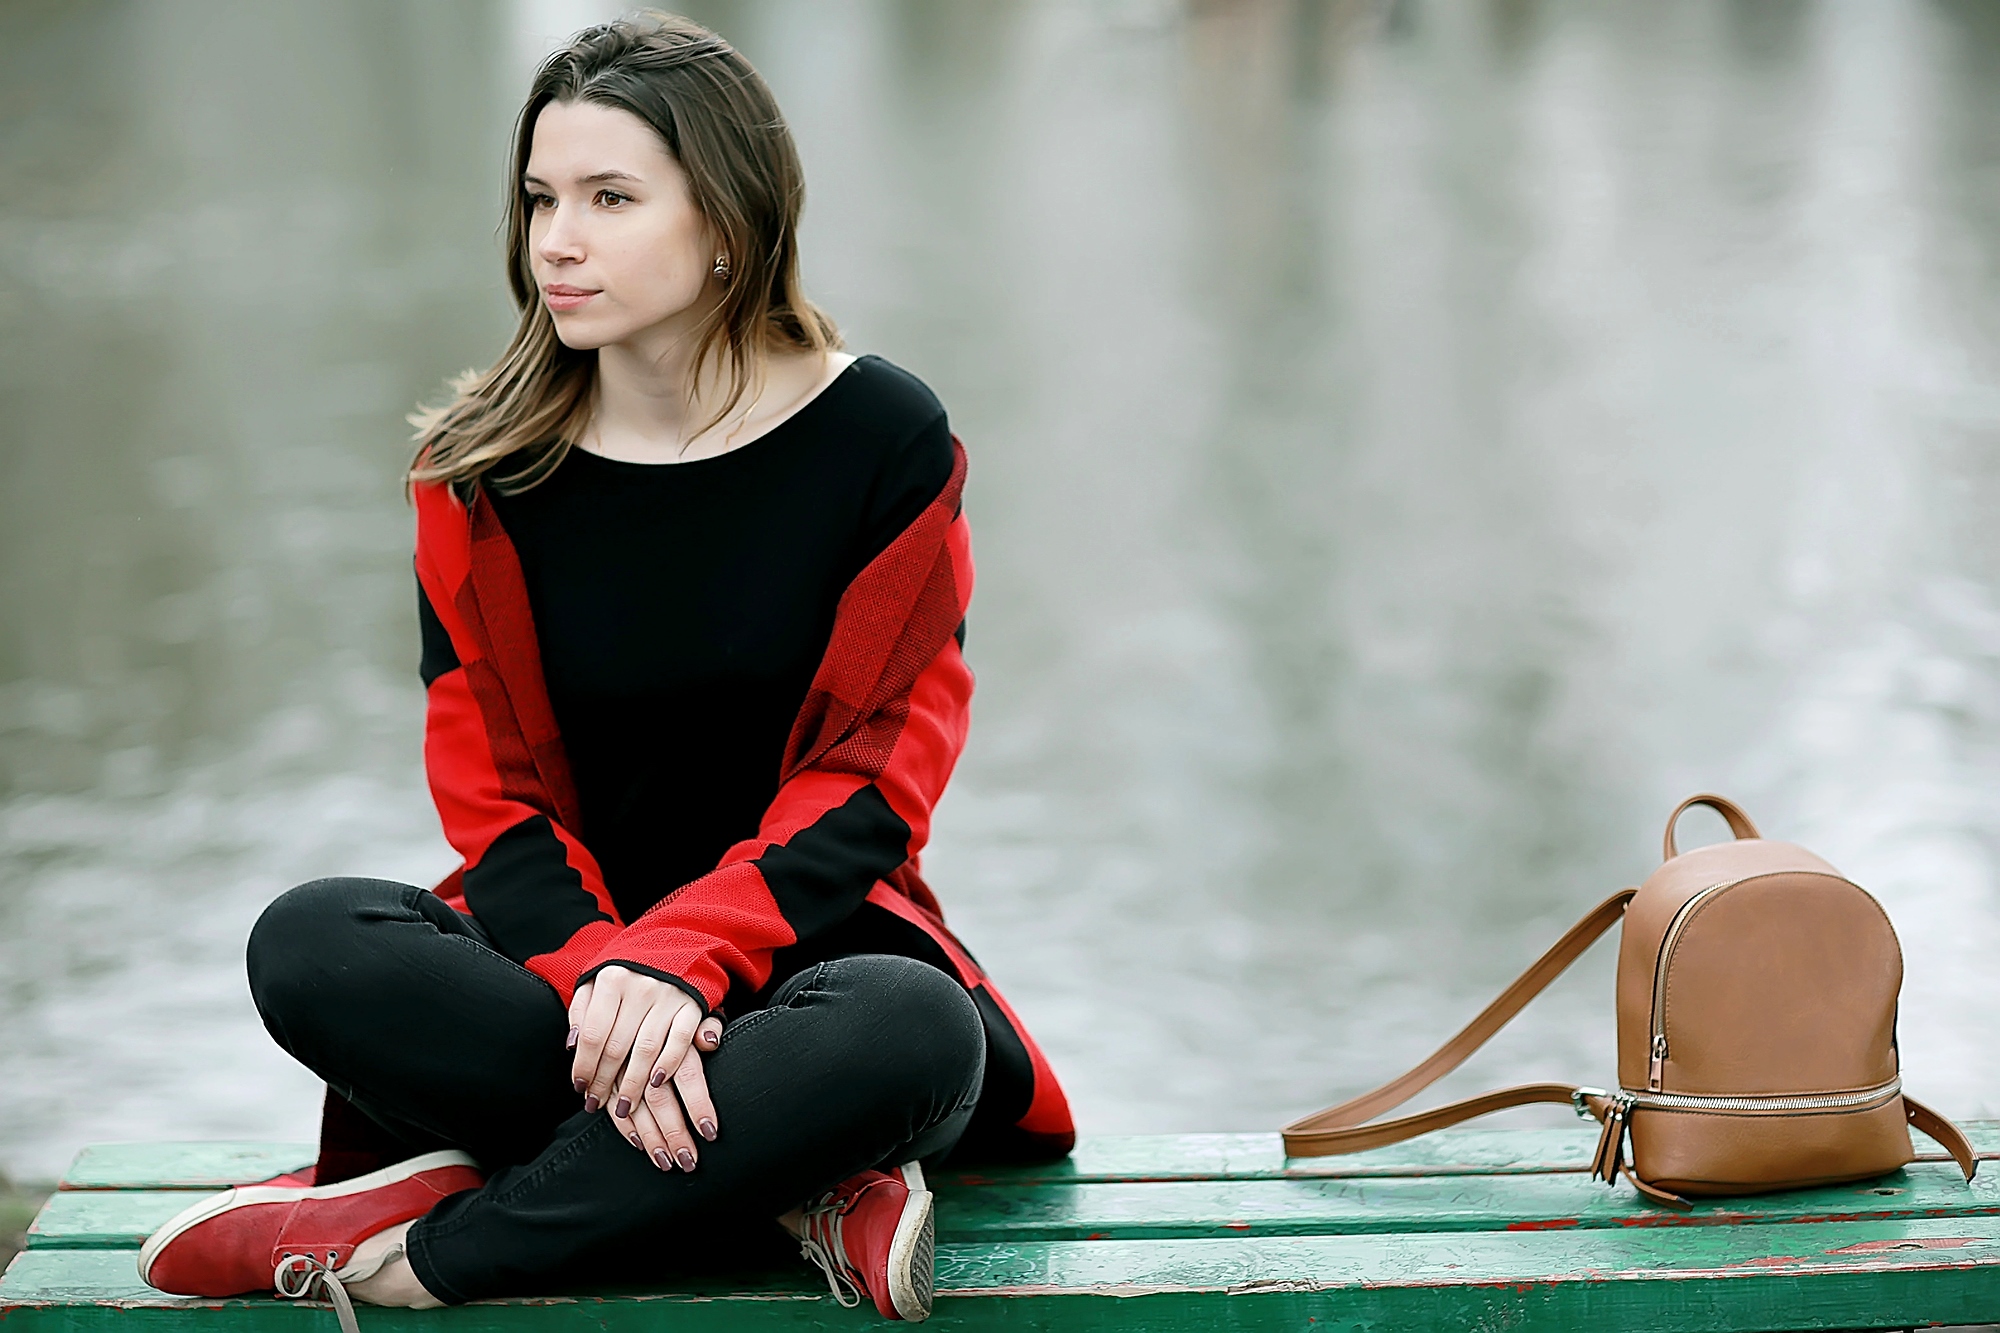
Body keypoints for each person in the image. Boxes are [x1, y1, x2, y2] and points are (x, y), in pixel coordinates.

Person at [135, 13, 1072, 1325]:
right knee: (311, 941)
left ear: (729, 224)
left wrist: (686, 957)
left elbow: (877, 777)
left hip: (815, 963)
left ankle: (446, 1242)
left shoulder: (881, 439)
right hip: (553, 977)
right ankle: (792, 1180)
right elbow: (489, 790)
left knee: (912, 1031)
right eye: (540, 200)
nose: (555, 242)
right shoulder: (480, 469)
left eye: (609, 199)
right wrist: (603, 976)